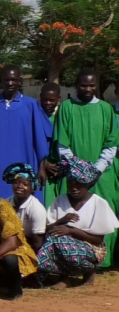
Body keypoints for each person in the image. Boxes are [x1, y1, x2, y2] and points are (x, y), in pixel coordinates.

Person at [52, 69, 119, 266]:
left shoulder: (106, 109)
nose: (87, 88)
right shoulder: (67, 108)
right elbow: (62, 142)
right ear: (76, 85)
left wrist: (96, 170)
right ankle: (75, 260)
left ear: (96, 86)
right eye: (83, 85)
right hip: (73, 174)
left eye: (91, 85)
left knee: (104, 213)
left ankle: (103, 261)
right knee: (75, 215)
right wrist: (79, 170)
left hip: (101, 174)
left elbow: (112, 142)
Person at [38, 156, 119, 289]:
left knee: (61, 241)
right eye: (70, 183)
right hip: (62, 243)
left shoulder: (98, 203)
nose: (74, 188)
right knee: (51, 241)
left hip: (92, 248)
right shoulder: (60, 201)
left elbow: (98, 240)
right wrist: (61, 221)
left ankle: (88, 272)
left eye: (78, 184)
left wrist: (71, 230)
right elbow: (47, 229)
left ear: (87, 183)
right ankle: (64, 278)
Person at [0, 66, 52, 202]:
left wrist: (42, 167)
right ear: (1, 81)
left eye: (13, 79)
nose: (10, 83)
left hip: (26, 161)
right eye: (6, 79)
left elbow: (40, 138)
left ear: (19, 81)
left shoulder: (30, 105)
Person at [3, 163, 46, 252]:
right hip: (7, 243)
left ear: (32, 187)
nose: (19, 186)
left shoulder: (37, 209)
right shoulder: (5, 204)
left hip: (29, 247)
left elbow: (38, 243)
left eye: (25, 184)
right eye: (16, 182)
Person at [39, 82, 61, 205]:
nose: (48, 103)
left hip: (59, 167)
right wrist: (43, 164)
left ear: (58, 99)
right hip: (41, 167)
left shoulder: (62, 116)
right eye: (45, 100)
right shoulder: (35, 115)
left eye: (52, 100)